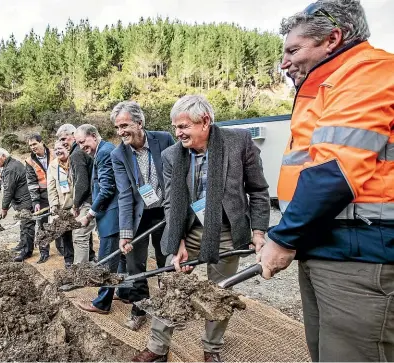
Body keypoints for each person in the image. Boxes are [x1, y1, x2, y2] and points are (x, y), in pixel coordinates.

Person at [260, 1, 394, 361]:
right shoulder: (326, 87)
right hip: (327, 245)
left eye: (293, 50)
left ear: (333, 38)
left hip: (360, 255)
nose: (284, 62)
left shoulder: (367, 73)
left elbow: (334, 171)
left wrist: (282, 237)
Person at [132, 95, 270, 362]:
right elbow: (171, 202)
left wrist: (258, 232)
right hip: (192, 231)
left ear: (205, 121)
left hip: (228, 232)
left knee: (218, 293)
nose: (178, 133)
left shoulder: (238, 142)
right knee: (172, 286)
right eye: (175, 127)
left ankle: (211, 349)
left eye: (183, 126)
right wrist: (177, 243)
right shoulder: (172, 155)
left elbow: (258, 190)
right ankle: (158, 348)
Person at [84, 101, 175, 330]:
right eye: (117, 128)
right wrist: (125, 235)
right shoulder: (118, 154)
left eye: (124, 125)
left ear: (140, 123)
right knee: (136, 264)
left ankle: (167, 305)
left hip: (165, 211)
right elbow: (125, 195)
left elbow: (177, 175)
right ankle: (140, 307)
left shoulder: (163, 139)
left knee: (167, 261)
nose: (120, 132)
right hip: (139, 215)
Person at [74, 124, 127, 314]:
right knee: (121, 257)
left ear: (94, 136)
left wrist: (89, 214)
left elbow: (107, 189)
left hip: (111, 215)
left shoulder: (104, 152)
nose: (81, 147)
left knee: (107, 260)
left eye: (83, 142)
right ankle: (125, 291)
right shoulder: (104, 150)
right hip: (115, 214)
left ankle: (102, 303)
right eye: (78, 144)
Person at [56, 123, 96, 264]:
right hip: (92, 198)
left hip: (88, 200)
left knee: (79, 235)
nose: (63, 143)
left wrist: (76, 204)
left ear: (73, 136)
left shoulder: (76, 154)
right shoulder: (79, 152)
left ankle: (80, 272)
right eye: (60, 140)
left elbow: (82, 183)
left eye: (64, 139)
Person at [0, 148, 36, 262]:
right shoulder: (12, 164)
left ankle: (27, 251)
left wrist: (4, 208)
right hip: (21, 200)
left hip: (25, 201)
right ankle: (22, 244)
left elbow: (8, 190)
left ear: (3, 156)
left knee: (27, 226)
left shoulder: (11, 168)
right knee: (23, 223)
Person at [25, 133, 58, 263]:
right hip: (42, 195)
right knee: (42, 223)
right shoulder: (29, 161)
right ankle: (44, 252)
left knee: (59, 221)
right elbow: (32, 183)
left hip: (57, 192)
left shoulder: (55, 153)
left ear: (41, 142)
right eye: (30, 145)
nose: (33, 147)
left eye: (34, 144)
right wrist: (35, 201)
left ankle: (61, 248)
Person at [47, 141, 76, 266]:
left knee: (82, 231)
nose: (58, 151)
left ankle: (89, 255)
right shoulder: (53, 166)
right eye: (55, 149)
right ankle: (69, 259)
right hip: (62, 205)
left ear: (67, 149)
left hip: (76, 203)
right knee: (65, 232)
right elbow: (51, 187)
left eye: (60, 148)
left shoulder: (75, 161)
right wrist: (54, 205)